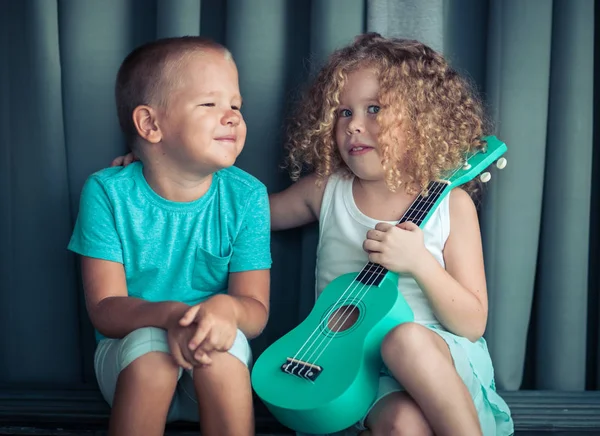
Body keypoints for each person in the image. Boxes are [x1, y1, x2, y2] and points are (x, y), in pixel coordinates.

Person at [113, 32, 514, 435]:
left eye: (374, 109)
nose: (354, 126)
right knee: (400, 424)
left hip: (442, 363)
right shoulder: (327, 190)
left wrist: (419, 264)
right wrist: (157, 170)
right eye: (343, 113)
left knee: (404, 340)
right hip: (364, 371)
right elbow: (239, 213)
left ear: (421, 119)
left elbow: (472, 323)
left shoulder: (450, 205)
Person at [69, 36, 271, 436]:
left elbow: (255, 309)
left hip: (211, 368)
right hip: (130, 360)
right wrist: (171, 317)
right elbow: (106, 309)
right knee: (153, 351)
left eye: (235, 105)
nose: (231, 116)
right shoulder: (107, 192)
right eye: (210, 104)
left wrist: (226, 311)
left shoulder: (247, 195)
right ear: (150, 124)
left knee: (221, 348)